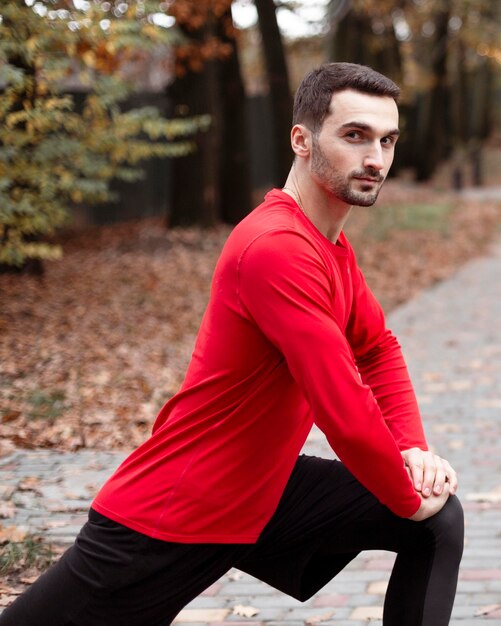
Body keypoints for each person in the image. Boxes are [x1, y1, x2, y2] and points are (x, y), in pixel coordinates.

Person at [0, 62, 464, 626]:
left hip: (260, 490)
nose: (376, 159)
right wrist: (407, 492)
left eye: (387, 140)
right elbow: (341, 403)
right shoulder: (276, 248)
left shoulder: (328, 246)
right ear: (301, 139)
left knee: (437, 524)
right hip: (175, 510)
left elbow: (377, 348)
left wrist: (411, 449)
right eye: (355, 135)